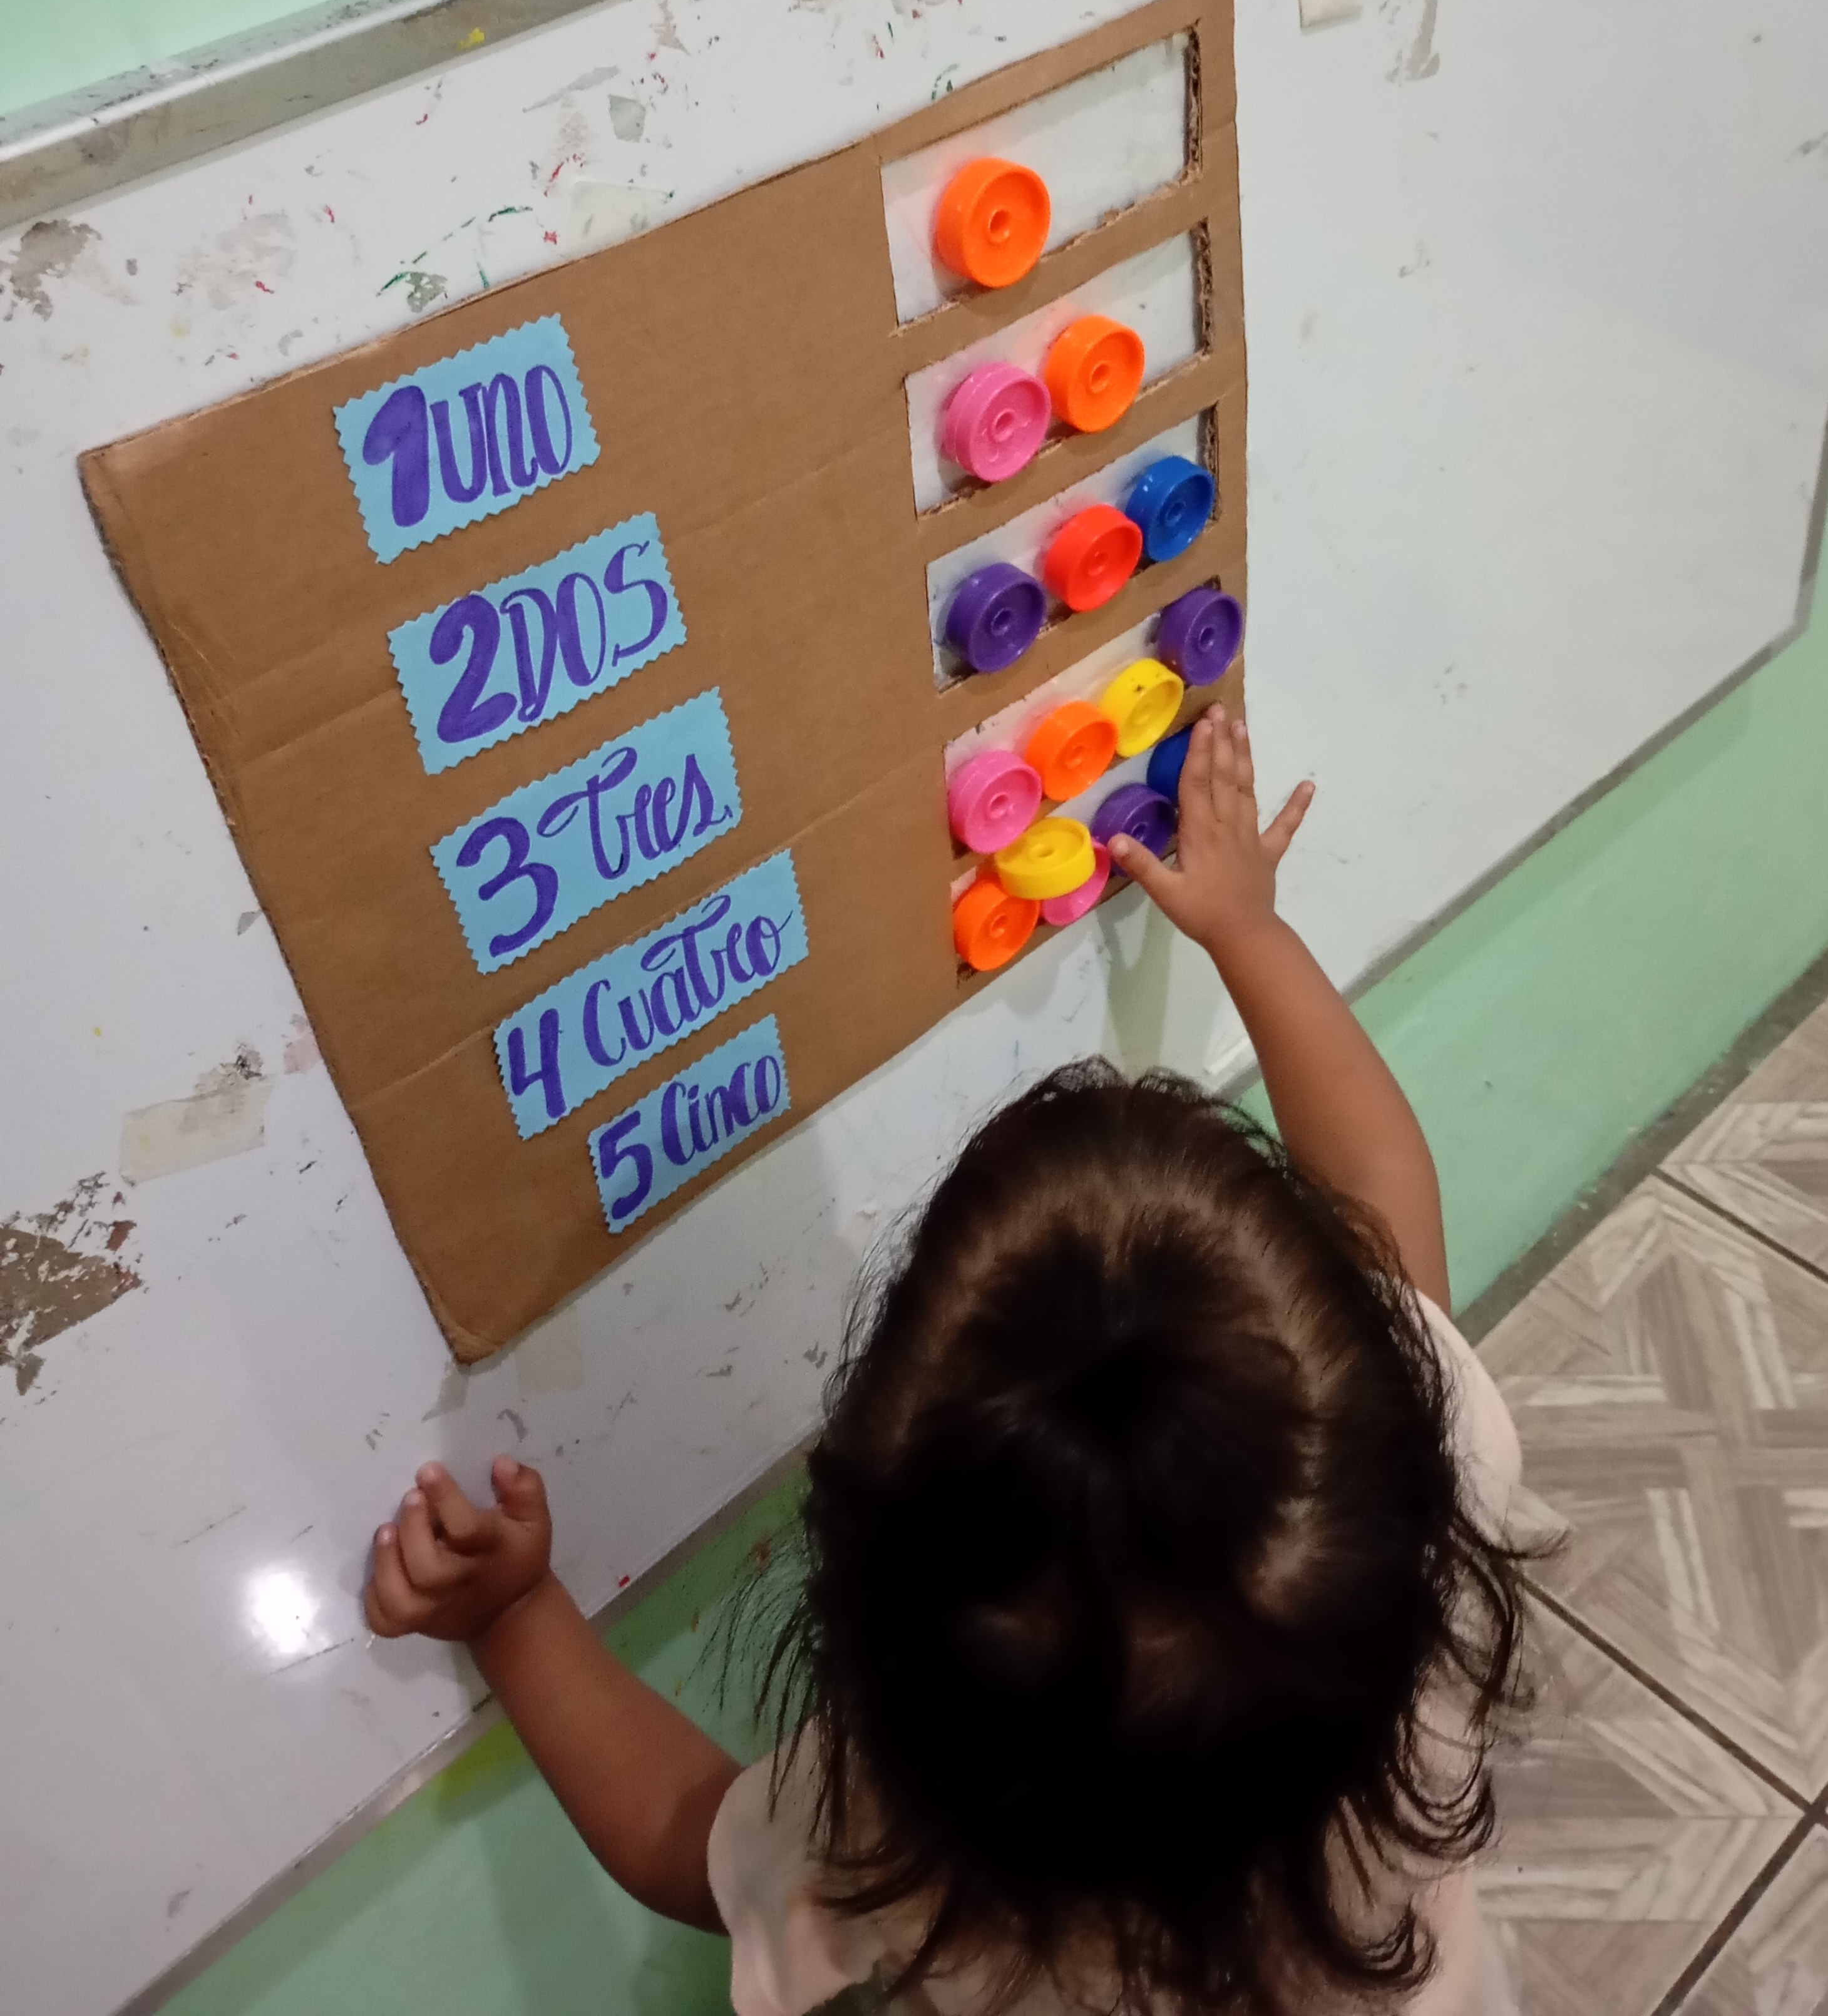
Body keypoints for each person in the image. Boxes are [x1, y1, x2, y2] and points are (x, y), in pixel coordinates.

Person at [366, 707, 1529, 2015]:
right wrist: (1250, 931)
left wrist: (515, 1618)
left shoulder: (903, 1846)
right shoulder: (1429, 1533)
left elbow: (681, 1842)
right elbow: (1379, 1180)